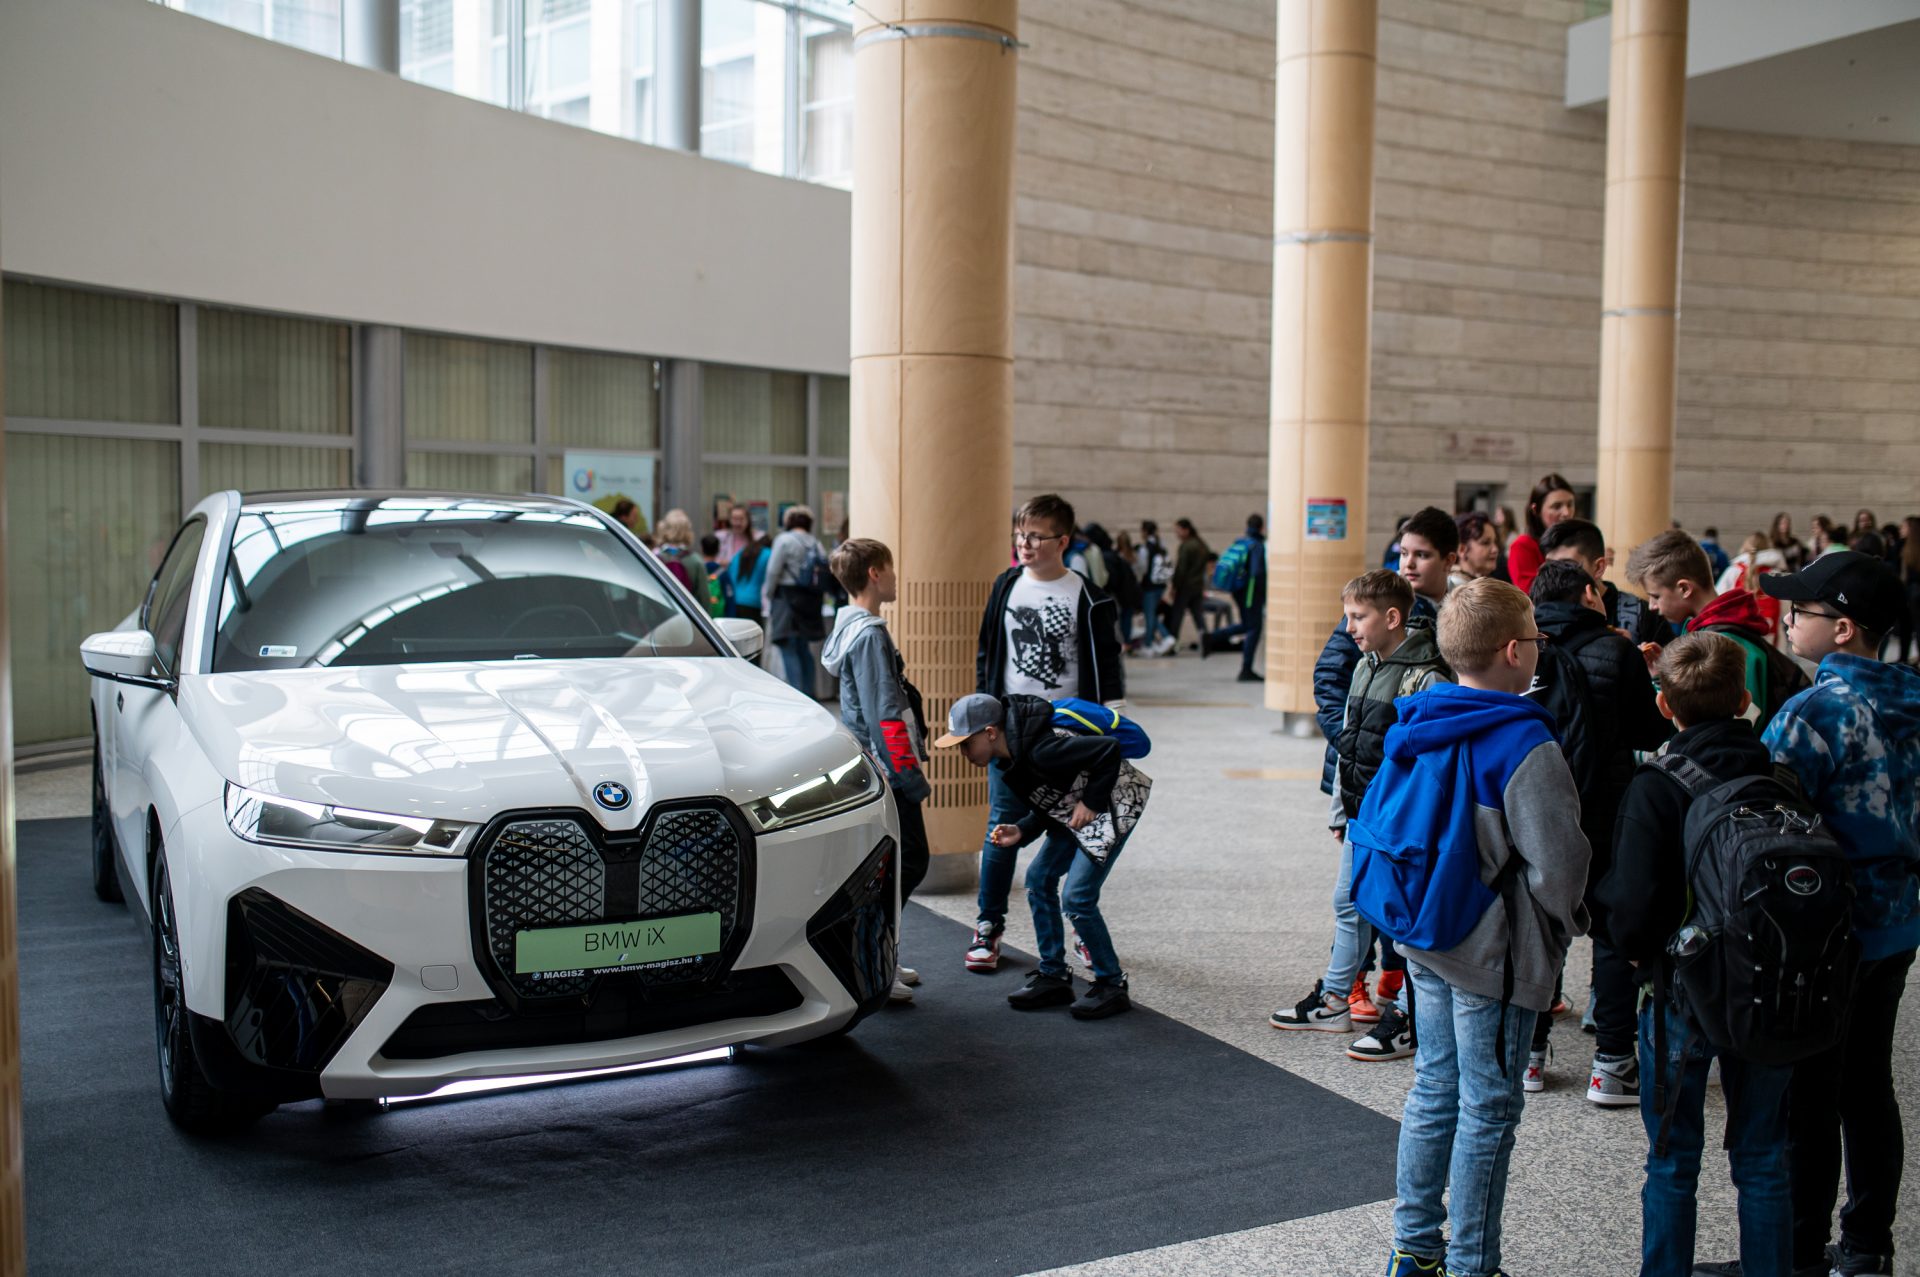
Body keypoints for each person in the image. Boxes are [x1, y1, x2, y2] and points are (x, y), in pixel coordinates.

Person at [1348, 578, 1591, 1277]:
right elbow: (1558, 865)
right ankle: (1473, 1264)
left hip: (1424, 929)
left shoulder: (1418, 715)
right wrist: (1567, 924)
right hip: (1493, 950)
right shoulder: (1523, 742)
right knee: (1489, 1106)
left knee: (1433, 1087)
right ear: (1516, 651)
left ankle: (1413, 1248)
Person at [1733, 551, 1919, 1277]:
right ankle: (1869, 1243)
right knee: (1868, 1081)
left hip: (1827, 935)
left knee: (1811, 1094)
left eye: (1801, 611)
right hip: (1898, 921)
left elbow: (1767, 821)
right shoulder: (1908, 696)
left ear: (1842, 628)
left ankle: (1800, 1249)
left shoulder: (1815, 711)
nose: (1787, 617)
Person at [1594, 633, 1793, 1277]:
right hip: (1772, 986)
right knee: (1763, 1157)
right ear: (1743, 699)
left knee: (1674, 1159)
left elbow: (1631, 903)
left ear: (1662, 704)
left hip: (1684, 991)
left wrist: (1634, 955)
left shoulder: (1658, 784)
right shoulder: (1781, 777)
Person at [1269, 569, 1450, 1065]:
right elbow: (1349, 741)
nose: (1348, 626)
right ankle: (1333, 1000)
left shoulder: (1425, 676)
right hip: (1362, 815)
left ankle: (1413, 1018)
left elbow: (1429, 765)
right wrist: (1339, 808)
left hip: (1399, 823)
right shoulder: (1365, 664)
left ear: (1393, 617)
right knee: (1348, 903)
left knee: (1402, 918)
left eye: (1357, 616)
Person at [1524, 558, 1672, 1104]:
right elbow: (1648, 730)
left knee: (1542, 930)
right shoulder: (1615, 651)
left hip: (1537, 811)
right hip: (1605, 813)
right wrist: (1650, 677)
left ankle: (1531, 1057)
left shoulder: (1522, 650)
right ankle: (1612, 1064)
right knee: (1611, 932)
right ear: (1590, 593)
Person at [965, 493, 1124, 973]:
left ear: (1063, 540)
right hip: (1009, 730)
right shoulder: (1007, 585)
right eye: (1020, 535)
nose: (1025, 544)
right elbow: (987, 651)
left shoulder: (1089, 596)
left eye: (1035, 536)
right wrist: (983, 713)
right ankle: (988, 925)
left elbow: (1107, 665)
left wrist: (1112, 719)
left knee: (1070, 825)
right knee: (1001, 829)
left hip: (1064, 731)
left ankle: (1078, 922)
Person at [937, 691, 1148, 1020]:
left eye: (966, 743)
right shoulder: (1015, 756)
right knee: (1038, 880)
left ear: (990, 733)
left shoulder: (1041, 748)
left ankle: (1111, 984)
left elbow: (1109, 749)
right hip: (1079, 807)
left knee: (1077, 897)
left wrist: (1091, 802)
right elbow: (1055, 797)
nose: (962, 752)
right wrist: (1023, 829)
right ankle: (1053, 975)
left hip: (1113, 805)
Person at [821, 537, 932, 1005]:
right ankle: (873, 963)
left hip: (875, 764)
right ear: (873, 574)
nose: (894, 577)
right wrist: (907, 775)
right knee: (906, 863)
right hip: (886, 766)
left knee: (895, 867)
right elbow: (884, 710)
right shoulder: (868, 634)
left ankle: (882, 954)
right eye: (890, 568)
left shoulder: (851, 628)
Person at [1311, 507, 1458, 850]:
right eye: (1403, 553)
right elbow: (1329, 675)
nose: (1408, 564)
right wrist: (1355, 738)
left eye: (1422, 555)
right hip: (1365, 772)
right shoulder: (1379, 607)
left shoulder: (1461, 606)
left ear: (1449, 559)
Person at [1626, 529, 1806, 727]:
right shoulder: (1716, 631)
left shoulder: (1725, 646)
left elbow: (1733, 732)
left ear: (1684, 588)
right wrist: (1666, 677)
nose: (1652, 606)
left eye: (1656, 596)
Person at [1539, 517, 1668, 646]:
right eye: (1550, 565)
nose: (1556, 573)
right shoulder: (1539, 613)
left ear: (1599, 567)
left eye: (1567, 565)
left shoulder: (1643, 615)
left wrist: (1631, 654)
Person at [765, 505, 830, 697]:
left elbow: (773, 571)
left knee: (788, 646)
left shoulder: (784, 540)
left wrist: (769, 595)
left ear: (788, 522)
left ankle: (798, 696)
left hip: (787, 599)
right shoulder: (816, 543)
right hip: (810, 600)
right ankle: (810, 694)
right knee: (804, 649)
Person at [1202, 513, 1268, 683]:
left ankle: (1212, 637)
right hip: (1251, 594)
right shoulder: (1257, 546)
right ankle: (1246, 670)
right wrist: (1262, 594)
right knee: (1254, 628)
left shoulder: (1241, 542)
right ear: (1261, 527)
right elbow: (1257, 572)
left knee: (1247, 625)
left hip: (1239, 591)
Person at [1505, 472, 1579, 594]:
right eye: (1556, 506)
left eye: (1570, 504)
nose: (1566, 512)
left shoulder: (1576, 541)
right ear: (1536, 509)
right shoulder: (1522, 546)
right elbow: (1533, 594)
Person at [1165, 517, 1212, 652]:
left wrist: (1175, 586)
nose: (1177, 534)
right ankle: (1206, 642)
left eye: (1178, 530)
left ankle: (1172, 644)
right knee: (1198, 616)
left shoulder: (1187, 546)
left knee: (1177, 616)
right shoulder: (1201, 544)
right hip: (1197, 585)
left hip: (1185, 586)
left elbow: (1181, 569)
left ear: (1186, 530)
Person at [652, 509, 711, 607]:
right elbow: (704, 598)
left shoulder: (654, 557)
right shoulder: (696, 561)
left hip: (660, 616)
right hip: (687, 617)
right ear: (688, 531)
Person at [1136, 520, 1173, 656]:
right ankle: (1158, 640)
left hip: (1149, 586)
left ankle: (1155, 641)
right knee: (1151, 614)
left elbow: (1142, 569)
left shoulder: (1145, 548)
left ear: (1145, 531)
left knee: (1149, 615)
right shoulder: (1161, 544)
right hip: (1160, 585)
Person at [726, 529, 770, 626]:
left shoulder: (741, 552)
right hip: (754, 602)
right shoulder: (768, 553)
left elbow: (730, 574)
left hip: (735, 600)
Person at [1452, 511, 1500, 590]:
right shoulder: (1453, 589)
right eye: (1485, 543)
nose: (1495, 549)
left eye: (1495, 542)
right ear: (1462, 550)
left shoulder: (1484, 584)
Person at [699, 533, 726, 616]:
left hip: (701, 616)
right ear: (718, 550)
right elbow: (729, 598)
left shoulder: (698, 570)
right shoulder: (723, 573)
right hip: (719, 619)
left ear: (701, 549)